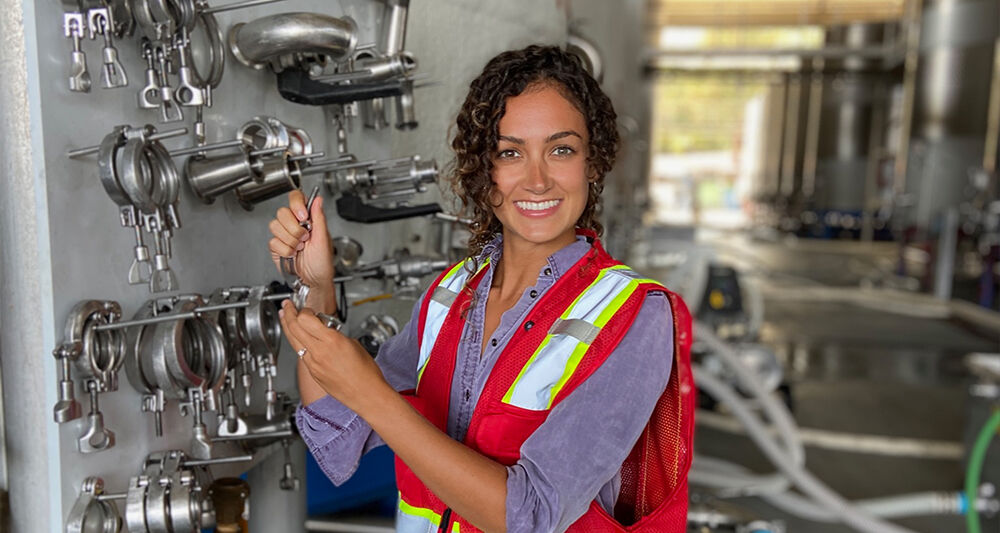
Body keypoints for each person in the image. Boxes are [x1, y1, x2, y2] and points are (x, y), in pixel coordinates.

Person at [268, 45, 694, 533]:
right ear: (485, 174)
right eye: (510, 152)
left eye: (561, 149)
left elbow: (532, 515)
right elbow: (339, 427)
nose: (536, 180)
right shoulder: (450, 294)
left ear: (592, 165)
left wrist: (372, 394)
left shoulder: (635, 315)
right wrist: (318, 290)